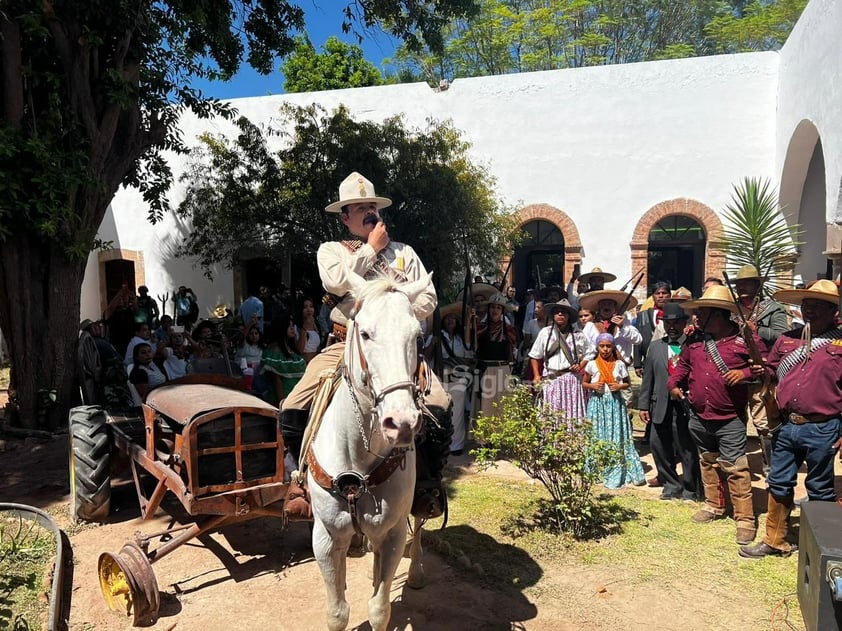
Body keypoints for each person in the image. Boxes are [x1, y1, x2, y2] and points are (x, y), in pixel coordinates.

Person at [279, 172, 450, 526]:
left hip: (396, 348)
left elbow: (429, 298)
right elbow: (336, 283)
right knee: (293, 404)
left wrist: (395, 309)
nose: (369, 212)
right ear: (345, 217)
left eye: (372, 205)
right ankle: (300, 483)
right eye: (360, 208)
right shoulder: (332, 251)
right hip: (344, 343)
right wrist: (371, 249)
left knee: (440, 403)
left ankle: (426, 486)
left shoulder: (404, 253)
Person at [740, 280, 842, 559]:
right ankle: (776, 540)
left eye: (818, 306)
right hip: (787, 425)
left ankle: (820, 546)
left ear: (834, 310)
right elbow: (771, 371)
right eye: (807, 305)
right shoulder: (787, 339)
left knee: (820, 488)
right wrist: (761, 370)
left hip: (824, 426)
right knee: (779, 482)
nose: (810, 310)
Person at [667, 285, 765, 545]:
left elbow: (764, 368)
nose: (696, 318)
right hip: (699, 415)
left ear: (718, 314)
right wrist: (674, 384)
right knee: (708, 462)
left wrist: (744, 374)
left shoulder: (746, 340)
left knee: (736, 468)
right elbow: (684, 365)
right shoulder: (695, 340)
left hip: (729, 417)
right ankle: (714, 506)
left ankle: (745, 519)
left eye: (702, 313)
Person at [730, 264, 790, 475]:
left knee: (763, 421)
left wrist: (759, 330)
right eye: (738, 283)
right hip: (733, 371)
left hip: (762, 372)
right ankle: (735, 460)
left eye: (747, 283)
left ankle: (771, 465)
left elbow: (783, 336)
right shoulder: (729, 308)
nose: (742, 287)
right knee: (735, 418)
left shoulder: (773, 309)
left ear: (757, 285)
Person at [638, 302, 700, 500]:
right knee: (659, 445)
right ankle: (671, 485)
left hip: (684, 405)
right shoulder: (656, 347)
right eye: (668, 323)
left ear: (684, 322)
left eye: (676, 323)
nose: (672, 327)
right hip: (659, 404)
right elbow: (648, 378)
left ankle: (691, 489)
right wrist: (643, 404)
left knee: (687, 448)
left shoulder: (694, 346)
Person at [583, 333, 645, 488]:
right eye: (602, 346)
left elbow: (627, 383)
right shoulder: (591, 364)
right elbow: (584, 383)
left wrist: (619, 386)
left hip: (615, 404)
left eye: (608, 346)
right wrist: (592, 386)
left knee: (616, 435)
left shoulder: (619, 365)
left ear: (613, 347)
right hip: (597, 404)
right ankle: (597, 469)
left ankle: (617, 468)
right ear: (597, 347)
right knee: (597, 434)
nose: (605, 349)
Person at [528, 299, 595, 420]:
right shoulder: (545, 333)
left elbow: (590, 353)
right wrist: (536, 376)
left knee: (572, 413)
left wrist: (581, 365)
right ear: (553, 315)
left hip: (572, 379)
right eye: (557, 312)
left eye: (563, 312)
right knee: (550, 413)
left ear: (568, 316)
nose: (560, 314)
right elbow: (534, 355)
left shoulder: (578, 334)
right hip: (550, 378)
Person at [439, 303, 475, 455]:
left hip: (459, 378)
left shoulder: (460, 339)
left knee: (458, 411)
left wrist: (470, 320)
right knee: (441, 412)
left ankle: (456, 445)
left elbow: (468, 353)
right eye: (448, 318)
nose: (451, 321)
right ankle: (441, 445)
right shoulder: (437, 336)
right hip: (441, 378)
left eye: (454, 318)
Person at [475, 293, 517, 419]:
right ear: (489, 309)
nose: (495, 310)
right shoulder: (480, 328)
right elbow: (473, 346)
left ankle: (503, 437)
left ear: (502, 311)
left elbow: (512, 350)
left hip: (503, 370)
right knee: (486, 406)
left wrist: (510, 368)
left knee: (503, 405)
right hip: (485, 370)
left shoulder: (509, 330)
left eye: (498, 308)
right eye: (493, 307)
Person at [633, 281, 672, 377]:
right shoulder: (643, 315)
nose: (661, 296)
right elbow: (638, 340)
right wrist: (637, 364)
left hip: (671, 360)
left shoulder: (675, 314)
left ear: (670, 296)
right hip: (649, 359)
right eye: (657, 293)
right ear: (653, 296)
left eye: (664, 293)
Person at [294, 296, 324, 363]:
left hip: (315, 364)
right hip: (303, 365)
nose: (309, 310)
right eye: (305, 307)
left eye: (311, 306)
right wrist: (304, 329)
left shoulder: (316, 325)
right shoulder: (296, 327)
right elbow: (300, 350)